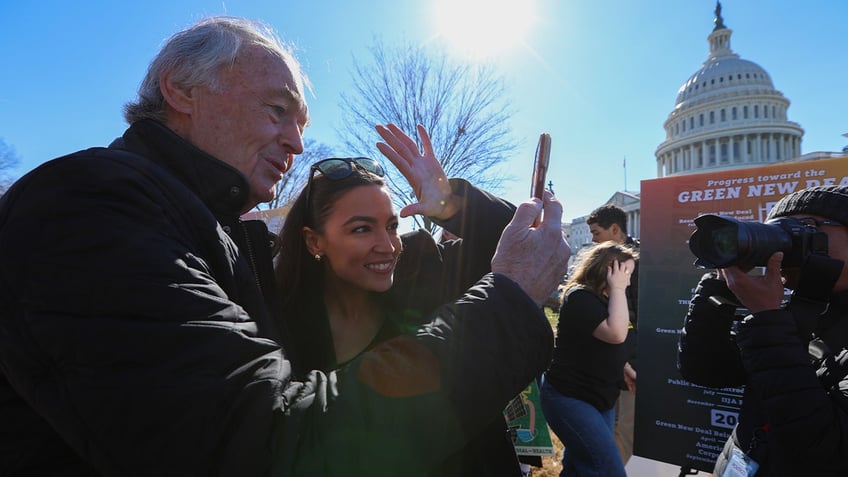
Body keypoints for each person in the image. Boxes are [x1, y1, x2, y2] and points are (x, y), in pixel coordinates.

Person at [0, 16, 571, 477]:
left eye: (393, 225)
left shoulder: (219, 237)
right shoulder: (91, 204)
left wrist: (453, 203)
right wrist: (509, 301)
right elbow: (268, 441)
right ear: (179, 88)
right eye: (278, 111)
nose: (297, 143)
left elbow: (512, 256)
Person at [274, 122, 524, 475]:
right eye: (362, 229)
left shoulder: (427, 270)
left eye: (391, 226)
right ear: (315, 241)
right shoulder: (278, 321)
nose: (389, 245)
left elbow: (522, 240)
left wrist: (452, 205)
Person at [678, 185, 848, 476]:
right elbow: (707, 370)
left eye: (807, 227)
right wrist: (720, 289)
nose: (785, 244)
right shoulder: (801, 313)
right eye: (779, 229)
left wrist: (768, 318)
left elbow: (823, 448)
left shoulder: (778, 319)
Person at [540, 241, 639, 477]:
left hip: (597, 397)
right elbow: (615, 333)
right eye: (626, 273)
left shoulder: (604, 299)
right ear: (608, 270)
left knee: (578, 468)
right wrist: (617, 289)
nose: (628, 280)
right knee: (608, 471)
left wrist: (622, 366)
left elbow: (596, 343)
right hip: (571, 397)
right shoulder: (580, 296)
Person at [586, 204, 639, 463]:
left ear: (615, 229)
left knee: (623, 430)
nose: (592, 240)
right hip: (606, 363)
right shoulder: (606, 262)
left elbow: (637, 318)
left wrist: (625, 359)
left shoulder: (637, 263)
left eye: (596, 233)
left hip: (628, 364)